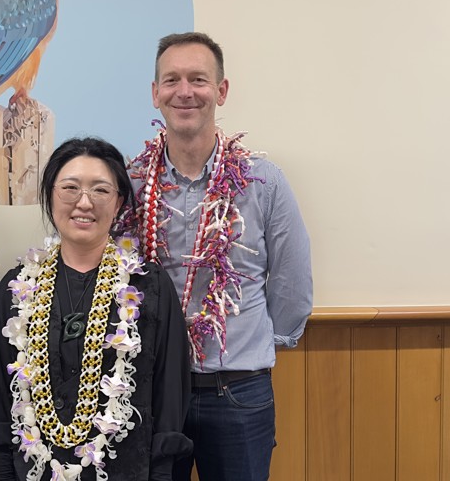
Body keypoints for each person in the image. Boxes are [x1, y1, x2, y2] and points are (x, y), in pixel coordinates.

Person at [124, 32, 313, 481]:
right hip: (151, 391)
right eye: (171, 80)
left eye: (198, 79)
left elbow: (292, 286)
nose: (184, 91)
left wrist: (258, 347)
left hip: (238, 392)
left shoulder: (263, 182)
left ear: (221, 91)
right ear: (155, 94)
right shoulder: (129, 184)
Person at [0, 137, 193, 481]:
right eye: (70, 188)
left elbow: (169, 397)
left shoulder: (148, 287)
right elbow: (0, 402)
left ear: (119, 201)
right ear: (50, 194)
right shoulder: (17, 289)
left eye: (100, 190)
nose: (84, 202)